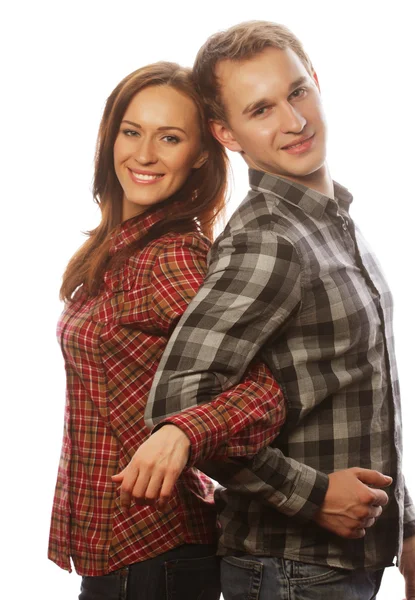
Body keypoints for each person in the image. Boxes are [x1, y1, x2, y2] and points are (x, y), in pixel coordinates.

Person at [115, 22, 415, 600]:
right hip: (289, 569)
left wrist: (406, 528)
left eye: (296, 92)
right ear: (227, 133)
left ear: (315, 81)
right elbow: (177, 404)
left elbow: (361, 394)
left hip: (346, 563)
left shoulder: (331, 219)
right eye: (260, 109)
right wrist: (312, 495)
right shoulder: (269, 237)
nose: (294, 122)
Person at [48, 61, 286, 600]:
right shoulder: (116, 251)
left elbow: (264, 390)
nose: (145, 154)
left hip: (154, 552)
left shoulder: (172, 256)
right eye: (132, 131)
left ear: (200, 153)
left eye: (170, 137)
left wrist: (182, 433)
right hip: (124, 551)